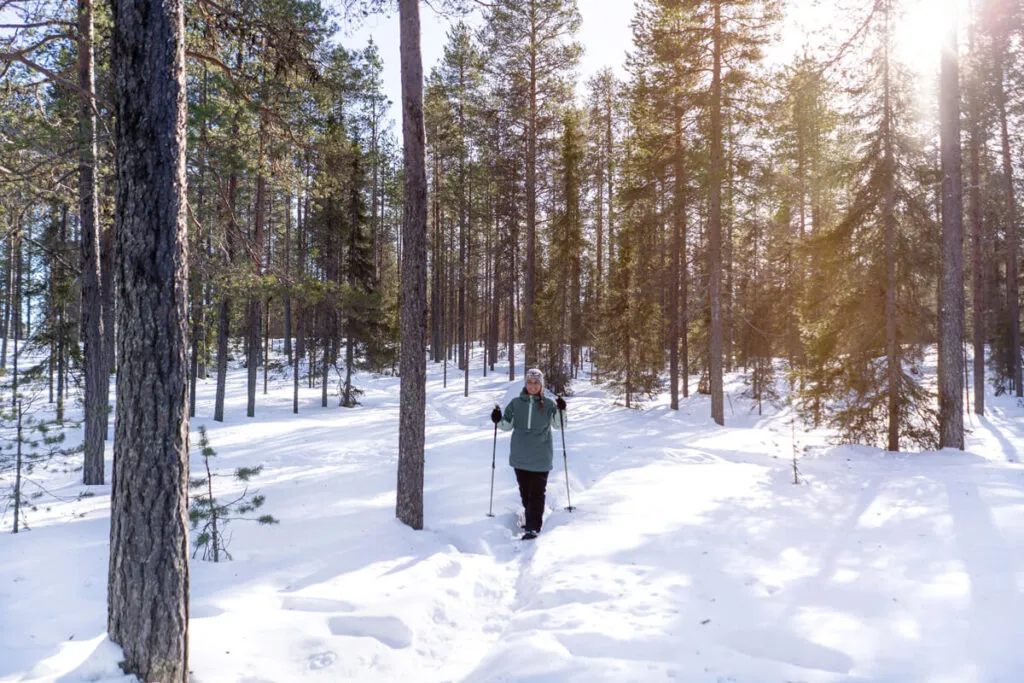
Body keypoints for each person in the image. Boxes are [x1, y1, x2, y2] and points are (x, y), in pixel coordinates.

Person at [490, 368, 566, 540]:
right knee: (526, 493)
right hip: (520, 456)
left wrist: (561, 410)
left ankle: (533, 527)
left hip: (541, 456)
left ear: (541, 385)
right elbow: (506, 425)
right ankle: (529, 516)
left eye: (536, 383)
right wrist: (497, 419)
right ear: (525, 384)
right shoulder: (516, 404)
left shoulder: (548, 405)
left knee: (537, 493)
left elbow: (559, 425)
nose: (532, 386)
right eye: (530, 382)